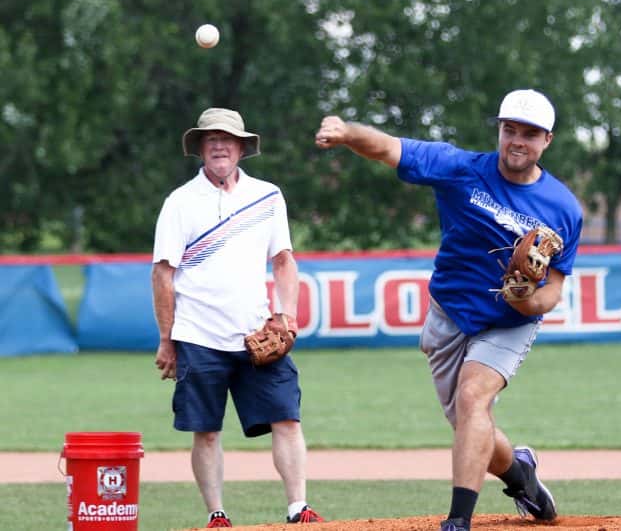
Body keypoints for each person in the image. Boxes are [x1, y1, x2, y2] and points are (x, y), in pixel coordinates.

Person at [315, 89, 582, 531]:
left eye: (530, 133)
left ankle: (458, 521)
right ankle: (522, 477)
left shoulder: (563, 207)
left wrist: (526, 301)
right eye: (510, 129)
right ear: (499, 130)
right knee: (469, 424)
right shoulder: (459, 169)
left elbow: (553, 288)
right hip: (449, 313)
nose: (517, 140)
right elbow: (389, 148)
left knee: (473, 398)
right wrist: (346, 134)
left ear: (547, 140)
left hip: (509, 323)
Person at [151, 108, 324, 528]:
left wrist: (286, 316)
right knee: (207, 429)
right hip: (198, 334)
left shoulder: (267, 195)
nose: (219, 146)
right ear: (200, 148)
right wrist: (167, 339)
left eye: (227, 139)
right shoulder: (180, 202)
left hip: (257, 330)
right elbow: (163, 273)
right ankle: (217, 515)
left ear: (242, 149)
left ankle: (298, 507)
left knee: (287, 417)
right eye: (210, 139)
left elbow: (283, 260)